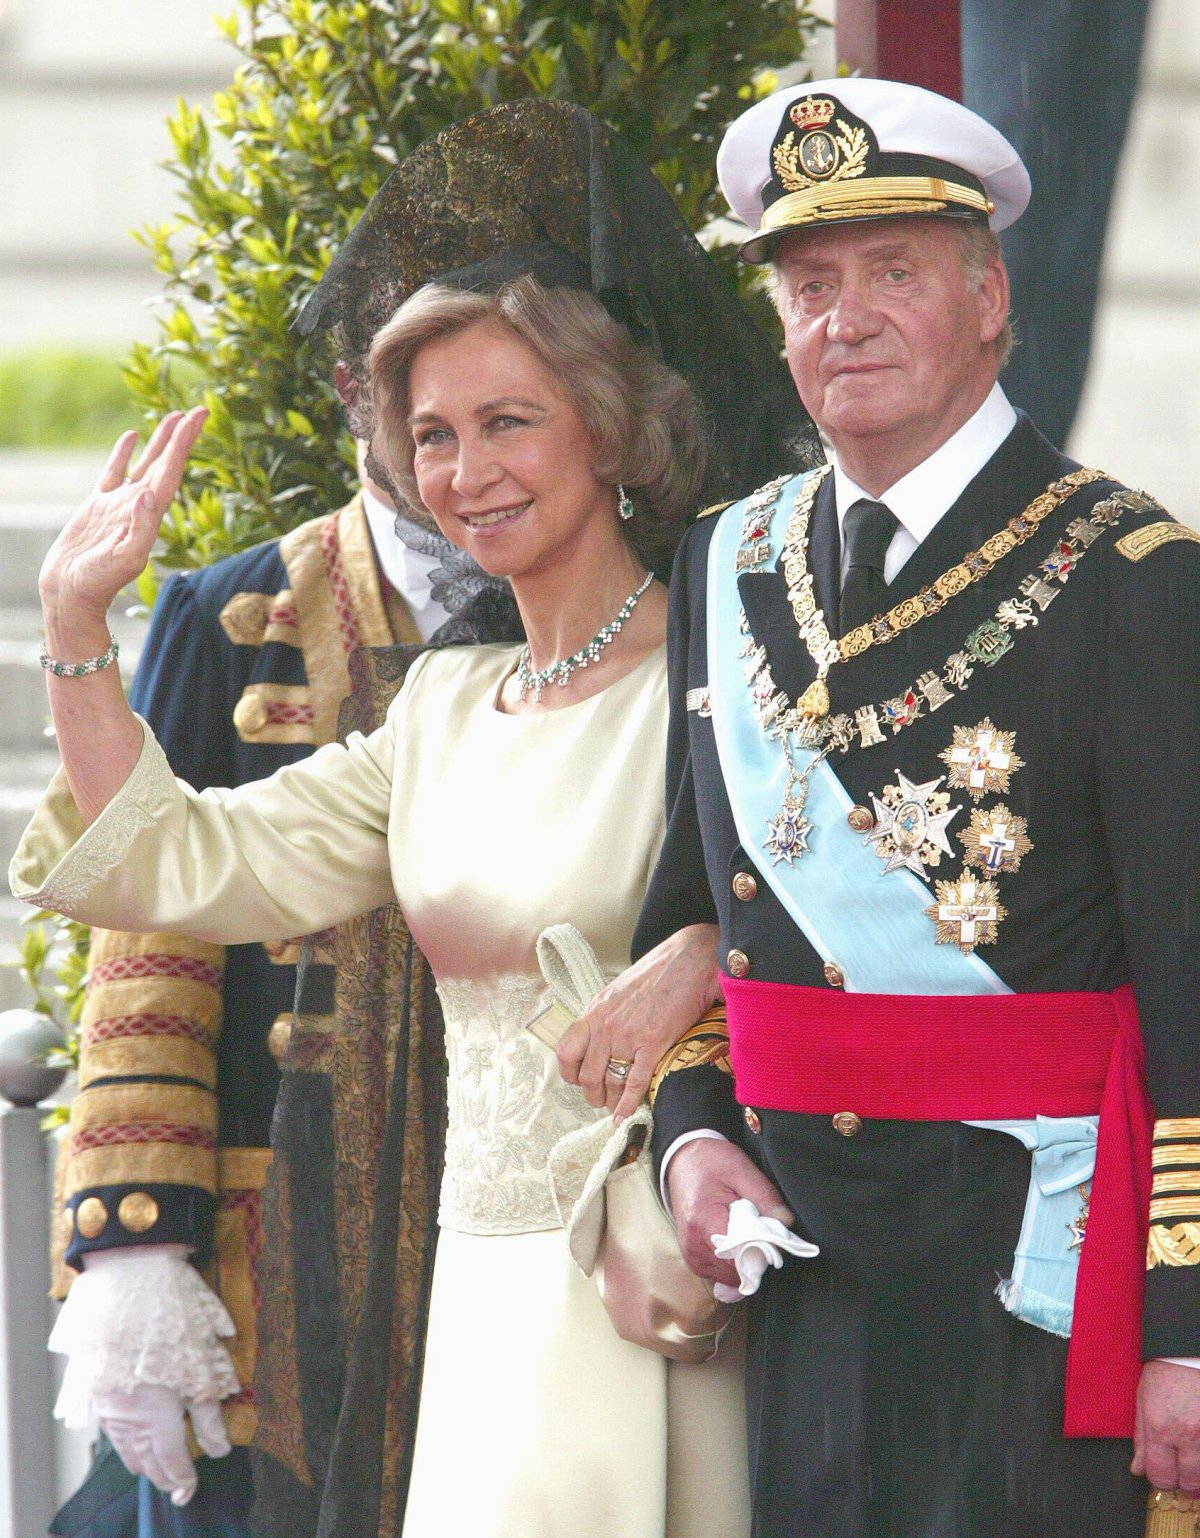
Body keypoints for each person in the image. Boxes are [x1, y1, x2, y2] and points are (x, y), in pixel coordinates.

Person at [11, 100, 813, 1538]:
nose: (466, 470)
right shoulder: (443, 708)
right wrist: (76, 624)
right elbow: (172, 856)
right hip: (480, 1296)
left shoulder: (734, 652)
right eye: (433, 435)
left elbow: (867, 894)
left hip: (664, 1273)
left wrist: (699, 950)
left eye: (509, 420)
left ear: (615, 428)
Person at [623, 77, 1200, 1538]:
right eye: (811, 284)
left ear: (993, 297)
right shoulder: (724, 562)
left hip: (1039, 1265)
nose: (847, 319)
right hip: (803, 1279)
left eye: (895, 274)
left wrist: (1188, 1322)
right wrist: (692, 1138)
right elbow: (698, 923)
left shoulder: (1133, 575)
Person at [44, 414, 517, 1538]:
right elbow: (150, 918)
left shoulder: (610, 598)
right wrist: (136, 1236)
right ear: (355, 389)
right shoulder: (231, 608)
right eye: (422, 407)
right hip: (282, 1233)